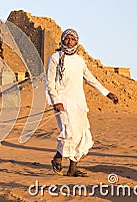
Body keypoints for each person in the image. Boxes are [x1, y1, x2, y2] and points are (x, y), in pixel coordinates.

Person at [46, 28, 118, 177]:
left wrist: (107, 93)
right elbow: (49, 83)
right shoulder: (54, 58)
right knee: (68, 132)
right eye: (67, 38)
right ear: (62, 39)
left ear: (77, 42)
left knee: (80, 134)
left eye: (72, 39)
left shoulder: (80, 60)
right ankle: (58, 157)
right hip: (62, 101)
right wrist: (55, 101)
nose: (69, 41)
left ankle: (72, 169)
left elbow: (90, 79)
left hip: (78, 102)